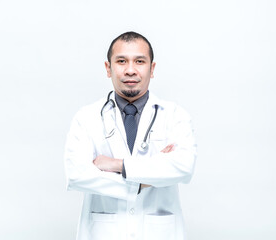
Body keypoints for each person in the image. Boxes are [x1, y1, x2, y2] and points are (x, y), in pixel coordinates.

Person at [64, 31, 197, 240]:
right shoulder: (86, 117)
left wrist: (118, 166)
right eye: (121, 61)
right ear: (108, 68)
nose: (131, 70)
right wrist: (146, 180)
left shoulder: (175, 115)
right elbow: (77, 175)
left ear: (152, 69)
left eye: (140, 61)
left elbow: (183, 168)